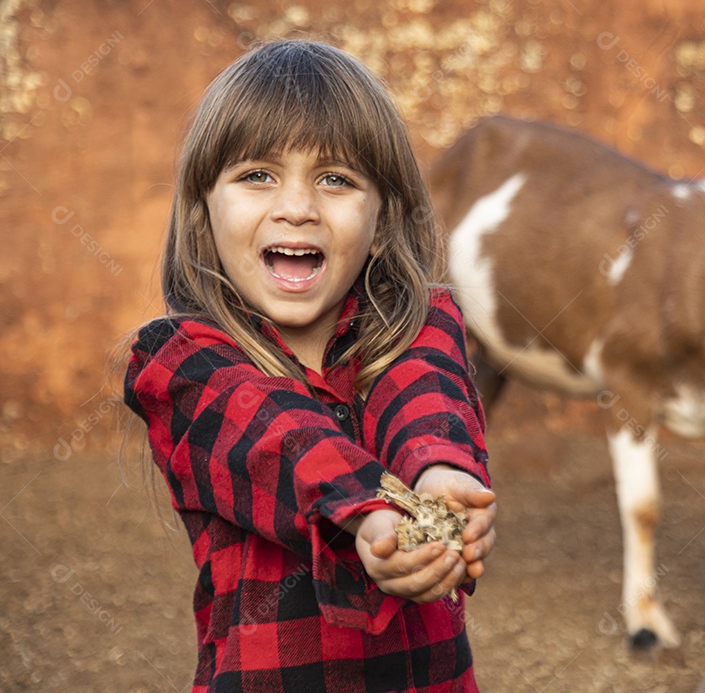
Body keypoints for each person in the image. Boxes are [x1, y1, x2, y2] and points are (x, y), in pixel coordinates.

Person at [123, 39, 496, 692]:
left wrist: (440, 481)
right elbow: (275, 436)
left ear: (380, 223)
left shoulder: (420, 328)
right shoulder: (184, 361)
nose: (297, 207)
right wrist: (373, 516)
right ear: (204, 214)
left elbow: (427, 401)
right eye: (257, 174)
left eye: (337, 180)